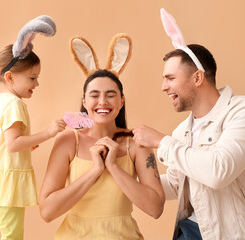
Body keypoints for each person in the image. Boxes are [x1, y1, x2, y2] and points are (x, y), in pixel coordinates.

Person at [132, 43, 245, 239]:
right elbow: (176, 184)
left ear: (197, 77)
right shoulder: (181, 132)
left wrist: (161, 142)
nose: (163, 87)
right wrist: (125, 178)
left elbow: (219, 171)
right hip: (194, 232)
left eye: (170, 78)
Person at [0, 16, 66, 240]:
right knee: (12, 234)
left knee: (10, 229)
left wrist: (27, 144)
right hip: (8, 181)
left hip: (4, 177)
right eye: (32, 78)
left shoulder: (2, 100)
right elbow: (13, 145)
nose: (37, 84)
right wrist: (49, 133)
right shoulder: (14, 104)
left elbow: (4, 142)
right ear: (10, 77)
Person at [39, 69, 165, 239]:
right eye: (94, 95)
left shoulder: (136, 142)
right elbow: (47, 211)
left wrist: (113, 167)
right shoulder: (68, 140)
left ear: (121, 102)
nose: (103, 101)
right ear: (84, 101)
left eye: (111, 95)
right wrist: (95, 171)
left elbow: (155, 208)